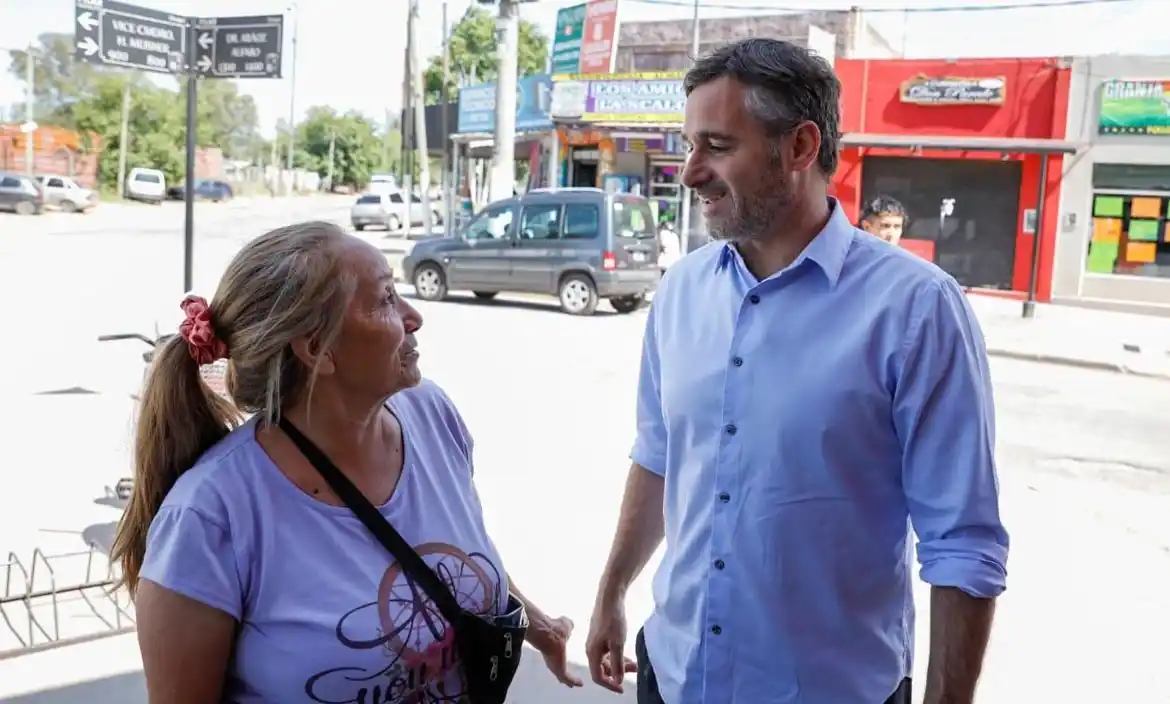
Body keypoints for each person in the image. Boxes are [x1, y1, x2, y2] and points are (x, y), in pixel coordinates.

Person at [585, 38, 1008, 704]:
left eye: (718, 147)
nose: (689, 172)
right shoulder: (682, 290)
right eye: (690, 145)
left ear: (801, 148)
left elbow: (962, 545)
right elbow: (660, 453)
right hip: (673, 673)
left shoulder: (915, 309)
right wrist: (613, 591)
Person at [110, 221, 582, 702]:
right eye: (385, 300)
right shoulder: (209, 518)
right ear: (318, 349)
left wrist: (535, 623)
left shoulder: (430, 413)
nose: (413, 316)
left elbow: (453, 553)